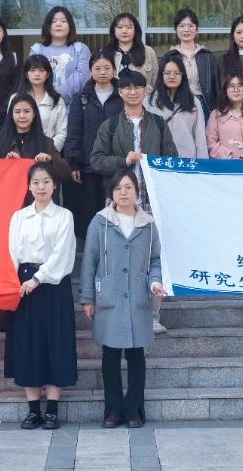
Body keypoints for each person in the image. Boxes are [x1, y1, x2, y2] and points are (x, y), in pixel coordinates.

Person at [90, 70, 177, 335]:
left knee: (150, 257)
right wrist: (123, 161)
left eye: (137, 87)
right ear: (120, 92)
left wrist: (155, 164)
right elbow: (96, 161)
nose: (132, 92)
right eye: (127, 87)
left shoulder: (158, 123)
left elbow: (171, 160)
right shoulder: (110, 125)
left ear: (145, 91)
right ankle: (115, 312)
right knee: (115, 256)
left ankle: (153, 315)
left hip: (151, 200)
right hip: (119, 199)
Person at [79, 169, 166, 429]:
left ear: (137, 191)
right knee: (110, 356)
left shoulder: (147, 224)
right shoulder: (100, 222)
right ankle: (112, 411)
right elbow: (90, 261)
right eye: (118, 188)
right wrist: (87, 298)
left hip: (138, 296)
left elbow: (155, 260)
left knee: (137, 355)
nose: (123, 192)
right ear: (111, 193)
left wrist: (155, 281)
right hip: (110, 296)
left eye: (128, 187)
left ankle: (134, 410)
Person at [6, 161, 78, 430]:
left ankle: (52, 411)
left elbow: (62, 253)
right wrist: (12, 282)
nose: (41, 187)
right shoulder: (18, 217)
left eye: (46, 181)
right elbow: (12, 252)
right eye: (36, 182)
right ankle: (33, 410)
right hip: (23, 286)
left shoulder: (64, 216)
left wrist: (38, 278)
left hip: (53, 285)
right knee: (29, 344)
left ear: (54, 185)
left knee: (55, 342)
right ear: (28, 187)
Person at [64, 53, 123, 237]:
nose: (102, 72)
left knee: (116, 215)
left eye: (107, 68)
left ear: (114, 70)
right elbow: (74, 132)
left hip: (115, 164)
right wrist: (74, 162)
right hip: (88, 166)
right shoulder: (81, 98)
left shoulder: (122, 96)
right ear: (90, 71)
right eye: (97, 68)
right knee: (89, 216)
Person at [0, 94, 73, 182]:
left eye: (27, 111)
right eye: (17, 112)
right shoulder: (1, 142)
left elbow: (66, 173)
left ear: (34, 113)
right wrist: (6, 163)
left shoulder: (46, 142)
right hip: (10, 189)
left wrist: (50, 160)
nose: (22, 116)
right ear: (11, 114)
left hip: (38, 190)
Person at [145, 53, 208, 159]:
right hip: (158, 160)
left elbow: (200, 137)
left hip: (186, 160)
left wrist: (202, 164)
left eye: (176, 73)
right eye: (167, 73)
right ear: (161, 75)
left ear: (183, 75)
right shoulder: (149, 101)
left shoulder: (193, 102)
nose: (172, 76)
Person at [29, 5, 91, 103]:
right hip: (43, 104)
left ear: (70, 26)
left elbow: (81, 77)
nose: (58, 24)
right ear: (47, 26)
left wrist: (55, 97)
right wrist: (47, 99)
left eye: (63, 21)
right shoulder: (37, 49)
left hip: (73, 106)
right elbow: (33, 76)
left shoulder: (80, 49)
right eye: (53, 21)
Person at [162, 8, 219, 107]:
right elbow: (163, 85)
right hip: (177, 103)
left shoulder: (207, 56)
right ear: (175, 30)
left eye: (190, 26)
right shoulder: (170, 56)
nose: (186, 30)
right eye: (182, 26)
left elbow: (216, 86)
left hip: (204, 104)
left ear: (197, 29)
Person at [14, 54, 69, 150]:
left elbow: (62, 132)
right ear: (26, 74)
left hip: (48, 152)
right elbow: (10, 128)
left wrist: (48, 150)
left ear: (48, 74)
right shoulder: (15, 99)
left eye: (41, 70)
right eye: (32, 70)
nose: (37, 74)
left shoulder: (57, 101)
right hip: (20, 152)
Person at [103, 12, 157, 89]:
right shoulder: (104, 52)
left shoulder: (148, 51)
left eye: (128, 27)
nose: (124, 31)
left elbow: (155, 80)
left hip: (143, 96)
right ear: (113, 30)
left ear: (135, 30)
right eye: (120, 27)